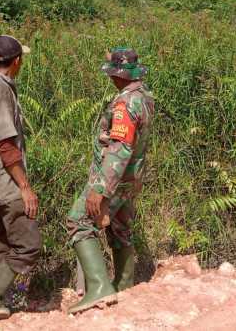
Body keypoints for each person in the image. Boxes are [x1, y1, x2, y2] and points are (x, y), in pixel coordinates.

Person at [66, 47, 155, 314]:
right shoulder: (144, 97)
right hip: (132, 178)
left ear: (119, 76)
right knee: (120, 227)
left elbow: (120, 148)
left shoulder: (125, 104)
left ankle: (99, 288)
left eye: (113, 74)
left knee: (79, 221)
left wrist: (101, 190)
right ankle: (124, 285)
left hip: (114, 178)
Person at [0, 35, 41, 319]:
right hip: (6, 181)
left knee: (3, 242)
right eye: (21, 59)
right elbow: (5, 144)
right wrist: (24, 187)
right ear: (16, 62)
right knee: (28, 243)